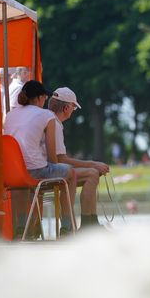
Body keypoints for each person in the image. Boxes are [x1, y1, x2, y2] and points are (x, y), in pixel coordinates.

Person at [3, 80, 77, 236]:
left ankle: (21, 229)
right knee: (70, 174)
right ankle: (67, 227)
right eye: (44, 98)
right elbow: (52, 156)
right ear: (39, 98)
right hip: (36, 171)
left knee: (20, 186)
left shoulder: (9, 115)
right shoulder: (47, 115)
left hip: (12, 173)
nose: (45, 102)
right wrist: (57, 171)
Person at [48, 87, 110, 229]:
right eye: (73, 108)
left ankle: (90, 224)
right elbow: (61, 160)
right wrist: (92, 164)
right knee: (92, 174)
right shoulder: (54, 124)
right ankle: (89, 226)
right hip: (46, 171)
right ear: (66, 107)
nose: (72, 111)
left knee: (92, 173)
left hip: (40, 168)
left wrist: (91, 164)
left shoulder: (48, 119)